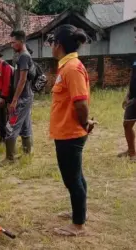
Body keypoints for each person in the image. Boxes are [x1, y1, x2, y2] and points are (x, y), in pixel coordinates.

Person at [49, 24, 96, 236]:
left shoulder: (72, 68)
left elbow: (81, 103)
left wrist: (85, 124)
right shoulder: (66, 67)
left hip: (70, 133)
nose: (51, 46)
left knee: (72, 179)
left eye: (51, 42)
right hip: (65, 131)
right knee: (75, 176)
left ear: (58, 44)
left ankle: (78, 225)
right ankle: (80, 212)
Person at [1, 30, 34, 165]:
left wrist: (14, 100)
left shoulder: (24, 57)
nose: (12, 44)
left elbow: (22, 80)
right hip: (25, 97)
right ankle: (27, 153)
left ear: (21, 42)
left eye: (14, 42)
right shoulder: (21, 56)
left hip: (22, 98)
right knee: (25, 125)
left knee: (11, 125)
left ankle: (10, 158)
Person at [119, 61, 136, 161]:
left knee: (127, 124)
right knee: (127, 124)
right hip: (133, 98)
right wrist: (128, 95)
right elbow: (133, 79)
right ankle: (131, 151)